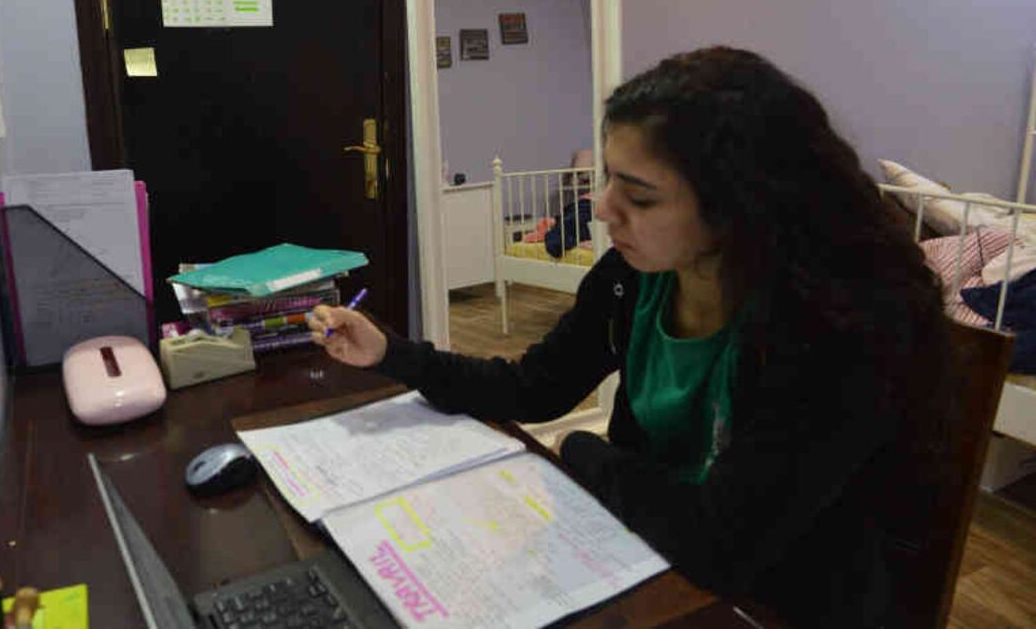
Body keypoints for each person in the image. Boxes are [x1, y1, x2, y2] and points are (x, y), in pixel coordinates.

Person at [309, 47, 955, 628]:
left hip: (776, 600)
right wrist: (392, 352)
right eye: (610, 177)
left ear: (739, 208)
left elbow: (722, 548)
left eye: (640, 197)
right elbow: (534, 386)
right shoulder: (636, 276)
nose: (601, 207)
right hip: (650, 551)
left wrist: (585, 453)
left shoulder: (837, 333)